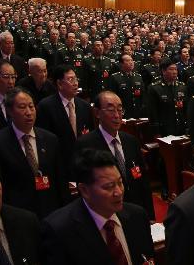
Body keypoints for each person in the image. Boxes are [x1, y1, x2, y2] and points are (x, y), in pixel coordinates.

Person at [42, 148, 155, 264]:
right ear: (84, 190)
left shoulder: (138, 216)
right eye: (109, 186)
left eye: (120, 182)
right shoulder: (59, 231)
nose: (119, 192)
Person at [0, 86, 68, 218]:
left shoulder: (50, 139)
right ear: (10, 111)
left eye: (31, 106)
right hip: (18, 213)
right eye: (22, 107)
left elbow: (60, 178)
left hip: (50, 210)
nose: (29, 112)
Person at [75, 90, 155, 220]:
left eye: (120, 110)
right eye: (111, 110)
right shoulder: (85, 144)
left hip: (135, 212)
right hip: (106, 215)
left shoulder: (131, 141)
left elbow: (144, 182)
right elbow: (85, 188)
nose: (117, 115)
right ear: (97, 113)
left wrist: (150, 216)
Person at [37, 65, 93, 171]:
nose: (75, 83)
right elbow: (43, 140)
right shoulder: (45, 106)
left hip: (82, 164)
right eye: (70, 79)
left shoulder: (85, 106)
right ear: (59, 84)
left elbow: (90, 135)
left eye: (76, 79)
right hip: (58, 164)